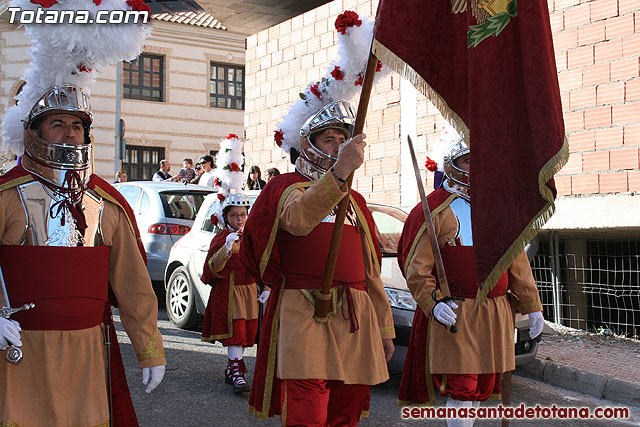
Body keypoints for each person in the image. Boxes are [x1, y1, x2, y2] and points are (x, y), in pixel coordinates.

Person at [0, 83, 166, 426]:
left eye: (77, 125)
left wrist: (150, 350)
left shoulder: (105, 201)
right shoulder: (6, 195)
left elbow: (133, 284)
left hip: (88, 352)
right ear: (33, 131)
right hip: (20, 351)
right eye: (57, 123)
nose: (70, 133)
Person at [241, 100, 395, 426]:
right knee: (306, 408)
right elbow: (298, 221)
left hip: (355, 316)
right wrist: (338, 172)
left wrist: (383, 328)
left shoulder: (356, 203)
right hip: (304, 311)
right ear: (309, 145)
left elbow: (370, 273)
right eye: (329, 139)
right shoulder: (286, 187)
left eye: (343, 140)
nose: (338, 146)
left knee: (346, 412)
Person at [397, 139, 545, 426]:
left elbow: (516, 262)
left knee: (481, 386)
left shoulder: (498, 209)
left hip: (496, 312)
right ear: (453, 165)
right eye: (468, 161)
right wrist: (432, 302)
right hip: (458, 312)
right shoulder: (434, 210)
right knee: (462, 387)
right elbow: (416, 268)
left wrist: (532, 304)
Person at [201, 193, 270, 393]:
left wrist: (267, 287)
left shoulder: (253, 237)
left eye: (242, 215)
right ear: (226, 216)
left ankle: (233, 369)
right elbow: (211, 270)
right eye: (233, 215)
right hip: (229, 293)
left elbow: (263, 263)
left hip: (249, 291)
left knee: (246, 334)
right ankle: (236, 371)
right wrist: (226, 248)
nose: (238, 219)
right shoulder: (221, 238)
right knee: (236, 333)